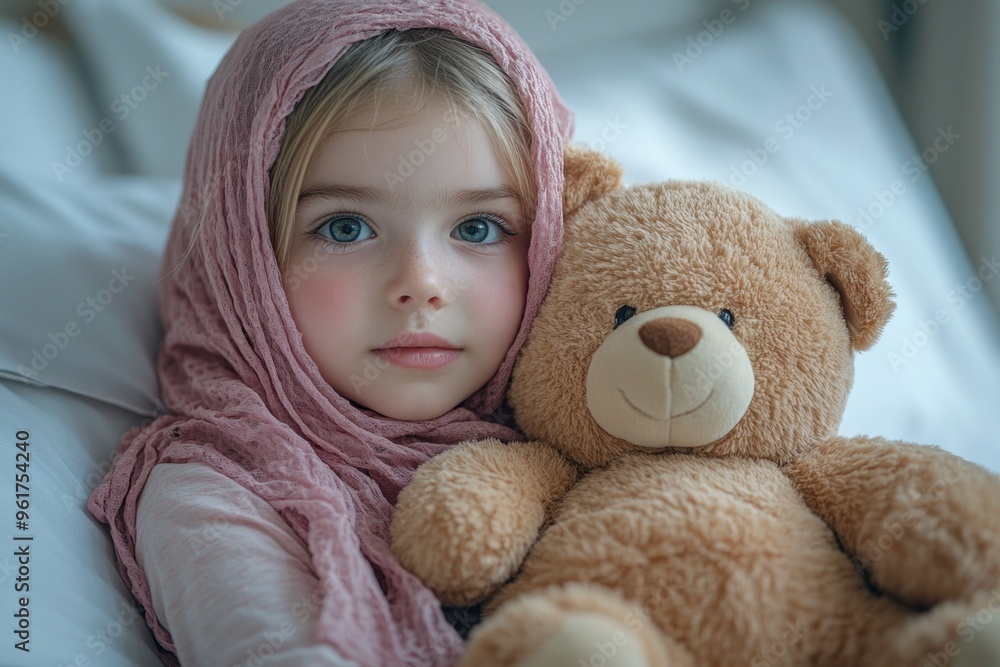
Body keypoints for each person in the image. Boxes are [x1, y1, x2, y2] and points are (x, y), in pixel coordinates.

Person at [86, 1, 574, 666]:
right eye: (345, 227)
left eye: (479, 227)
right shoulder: (217, 499)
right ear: (242, 255)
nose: (422, 283)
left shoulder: (590, 423)